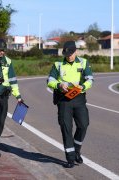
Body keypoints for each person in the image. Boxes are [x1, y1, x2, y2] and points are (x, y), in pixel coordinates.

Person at [47, 40, 94, 168]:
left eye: (71, 54)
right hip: (63, 101)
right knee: (66, 128)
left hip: (79, 98)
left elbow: (90, 79)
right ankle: (70, 158)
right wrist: (58, 85)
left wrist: (83, 86)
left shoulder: (84, 63)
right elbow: (50, 80)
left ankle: (76, 150)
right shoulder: (58, 65)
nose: (69, 56)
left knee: (84, 124)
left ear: (75, 52)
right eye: (66, 54)